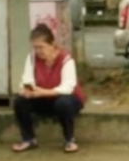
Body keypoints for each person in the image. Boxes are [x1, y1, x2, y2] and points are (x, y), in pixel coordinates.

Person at [11, 23, 85, 153]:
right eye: (35, 48)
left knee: (64, 103)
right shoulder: (32, 58)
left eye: (41, 47)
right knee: (19, 101)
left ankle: (69, 139)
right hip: (43, 98)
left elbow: (67, 87)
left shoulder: (66, 60)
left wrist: (44, 92)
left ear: (52, 45)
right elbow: (27, 79)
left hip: (66, 99)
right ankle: (28, 139)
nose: (39, 51)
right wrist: (27, 90)